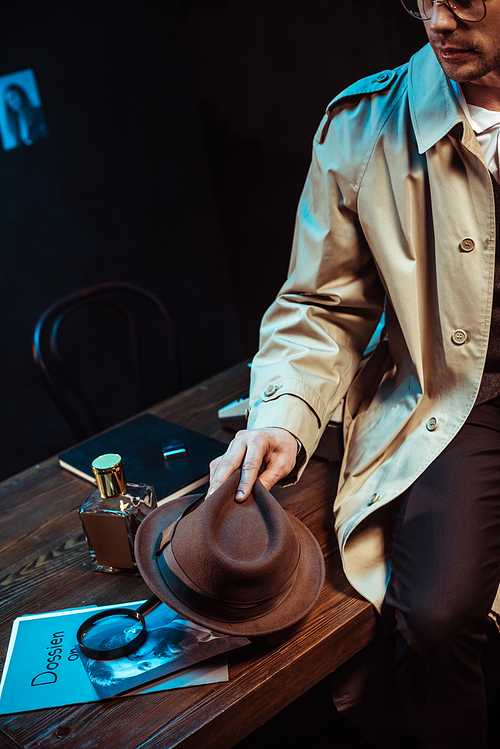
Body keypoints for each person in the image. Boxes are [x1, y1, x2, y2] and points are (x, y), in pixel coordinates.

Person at [208, 1, 500, 746]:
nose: (439, 19)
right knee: (434, 614)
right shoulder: (364, 127)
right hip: (460, 400)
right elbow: (317, 303)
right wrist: (280, 413)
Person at [3, 83, 48, 147]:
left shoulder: (38, 112)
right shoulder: (14, 122)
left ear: (21, 95)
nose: (12, 102)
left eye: (13, 97)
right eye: (8, 100)